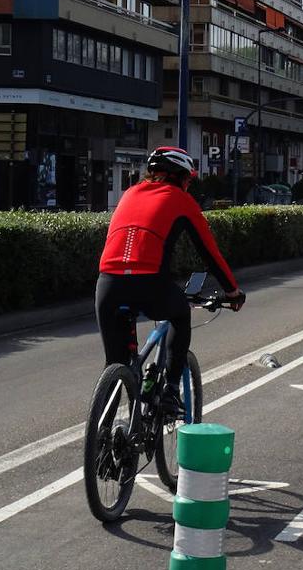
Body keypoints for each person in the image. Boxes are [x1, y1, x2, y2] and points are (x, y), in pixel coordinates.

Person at [96, 147, 246, 415]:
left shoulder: (129, 193)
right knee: (180, 314)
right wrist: (232, 291)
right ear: (177, 177)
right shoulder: (180, 199)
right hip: (149, 283)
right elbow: (209, 252)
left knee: (114, 362)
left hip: (108, 283)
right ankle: (170, 392)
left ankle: (103, 441)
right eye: (188, 179)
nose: (188, 185)